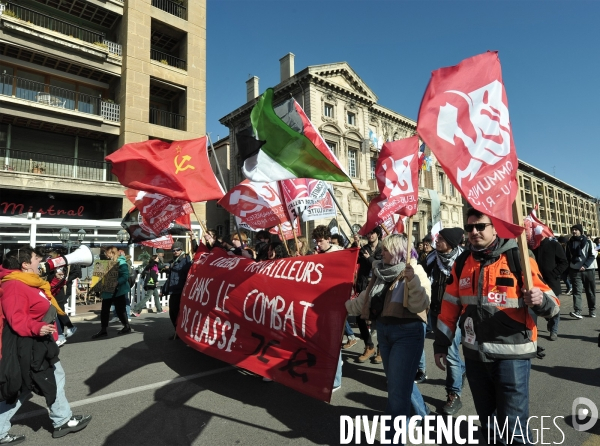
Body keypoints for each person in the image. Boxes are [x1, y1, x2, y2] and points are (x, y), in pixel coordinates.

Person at [434, 208, 559, 443]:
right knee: (489, 425)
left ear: (494, 228)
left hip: (512, 356)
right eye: (470, 227)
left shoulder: (518, 256)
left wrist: (540, 300)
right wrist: (441, 343)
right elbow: (449, 306)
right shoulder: (462, 262)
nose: (474, 232)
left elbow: (552, 304)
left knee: (513, 428)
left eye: (480, 226)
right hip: (475, 357)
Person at [0, 246, 92, 442]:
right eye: (35, 258)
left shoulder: (28, 281)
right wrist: (36, 327)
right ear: (25, 265)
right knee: (29, 385)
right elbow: (15, 318)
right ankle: (62, 420)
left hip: (38, 342)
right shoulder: (14, 285)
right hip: (27, 343)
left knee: (46, 379)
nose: (39, 261)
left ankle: (62, 419)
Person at [360, 234, 430, 440]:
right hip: (384, 331)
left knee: (396, 393)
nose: (382, 253)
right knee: (398, 381)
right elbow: (366, 298)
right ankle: (424, 415)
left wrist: (413, 281)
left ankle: (393, 439)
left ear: (399, 251)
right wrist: (342, 306)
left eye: (386, 250)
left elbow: (422, 303)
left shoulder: (415, 270)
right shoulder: (380, 271)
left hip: (407, 333)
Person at [423, 227, 466, 415]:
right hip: (434, 312)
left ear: (450, 243)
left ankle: (453, 395)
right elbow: (421, 277)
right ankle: (461, 371)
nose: (436, 241)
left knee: (450, 353)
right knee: (451, 353)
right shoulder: (431, 258)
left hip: (456, 314)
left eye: (440, 239)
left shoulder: (464, 260)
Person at [312, 225, 344, 392]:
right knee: (323, 340)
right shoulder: (318, 254)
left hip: (335, 304)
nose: (319, 244)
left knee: (333, 341)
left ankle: (336, 379)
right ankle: (328, 372)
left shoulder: (339, 252)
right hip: (321, 304)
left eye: (321, 241)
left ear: (328, 239)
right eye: (317, 241)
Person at [354, 226, 383, 364]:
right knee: (360, 317)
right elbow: (354, 260)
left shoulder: (384, 248)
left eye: (372, 233)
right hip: (365, 286)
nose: (370, 235)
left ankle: (381, 349)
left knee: (381, 319)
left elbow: (383, 266)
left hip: (379, 287)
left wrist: (370, 259)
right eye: (368, 233)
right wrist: (356, 246)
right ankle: (369, 345)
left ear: (378, 234)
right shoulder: (363, 248)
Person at [532, 235, 568, 340]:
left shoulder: (554, 245)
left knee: (554, 308)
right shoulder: (533, 247)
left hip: (552, 283)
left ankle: (554, 330)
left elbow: (564, 262)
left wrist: (554, 274)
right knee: (538, 308)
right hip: (537, 283)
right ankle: (548, 321)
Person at [91, 246, 131, 338]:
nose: (105, 255)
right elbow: (100, 276)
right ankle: (103, 329)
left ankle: (127, 326)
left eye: (107, 253)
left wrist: (118, 282)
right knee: (104, 310)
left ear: (112, 253)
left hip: (118, 290)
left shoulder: (121, 262)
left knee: (120, 309)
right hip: (107, 290)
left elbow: (125, 276)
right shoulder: (104, 263)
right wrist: (96, 284)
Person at [565, 224, 596, 319]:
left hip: (588, 270)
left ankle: (592, 310)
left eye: (576, 230)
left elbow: (592, 256)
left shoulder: (588, 242)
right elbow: (568, 257)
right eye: (572, 230)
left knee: (590, 291)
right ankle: (577, 311)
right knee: (577, 291)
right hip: (575, 270)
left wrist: (585, 265)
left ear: (580, 231)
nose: (574, 231)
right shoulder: (569, 243)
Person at [164, 241, 192, 330]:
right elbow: (171, 276)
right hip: (173, 289)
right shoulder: (173, 261)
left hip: (181, 289)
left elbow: (187, 274)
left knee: (177, 312)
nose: (175, 251)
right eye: (173, 250)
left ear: (181, 250)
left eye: (177, 250)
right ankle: (177, 330)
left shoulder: (185, 261)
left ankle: (180, 331)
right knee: (172, 312)